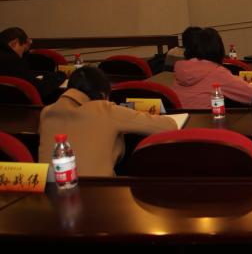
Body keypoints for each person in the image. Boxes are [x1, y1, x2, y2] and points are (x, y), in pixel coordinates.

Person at [38, 66, 178, 176]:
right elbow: (169, 126)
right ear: (102, 95)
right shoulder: (105, 109)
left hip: (51, 196)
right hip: (98, 195)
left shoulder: (46, 112)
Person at [172, 27, 252, 109]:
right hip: (209, 119)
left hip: (180, 119)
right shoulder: (217, 73)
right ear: (218, 48)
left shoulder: (182, 70)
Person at [0, 26, 64, 103]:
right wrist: (61, 76)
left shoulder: (5, 57)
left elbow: (24, 73)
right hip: (20, 108)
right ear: (14, 43)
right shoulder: (12, 61)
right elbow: (41, 88)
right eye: (23, 47)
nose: (22, 53)